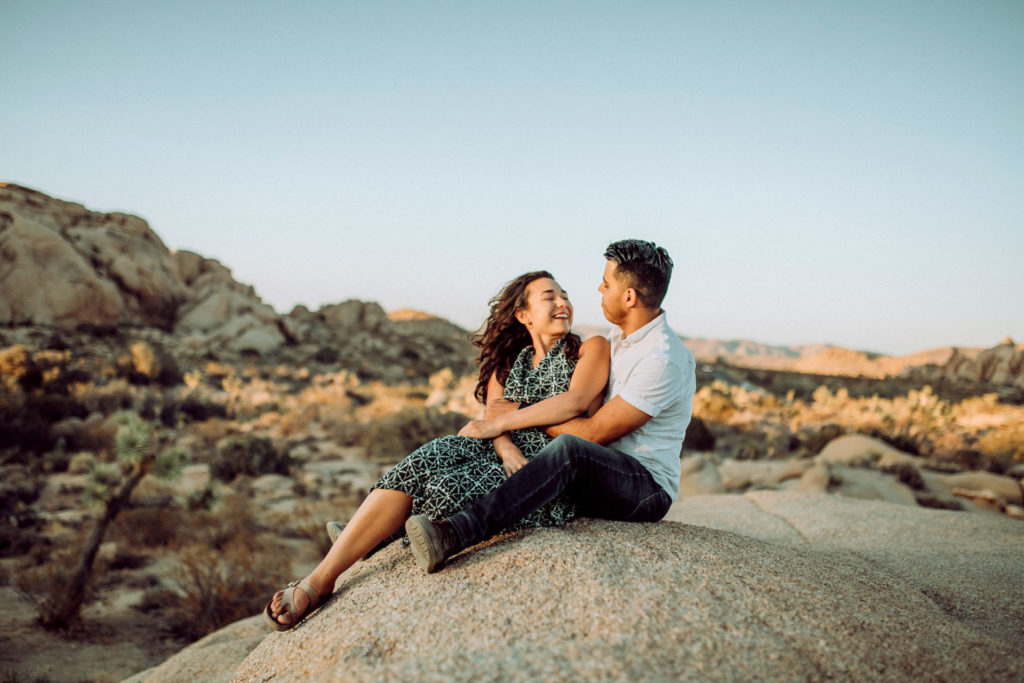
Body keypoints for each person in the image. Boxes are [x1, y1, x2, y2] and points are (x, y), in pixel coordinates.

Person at [264, 271, 610, 630]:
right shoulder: (510, 365)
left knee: (443, 490)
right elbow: (493, 418)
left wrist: (506, 420)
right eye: (549, 297)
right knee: (430, 455)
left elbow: (575, 402)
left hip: (549, 467)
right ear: (524, 315)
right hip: (506, 452)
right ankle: (321, 579)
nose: (562, 303)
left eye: (564, 295)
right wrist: (504, 446)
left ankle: (375, 533)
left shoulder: (588, 348)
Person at [406, 239, 696, 573]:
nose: (599, 288)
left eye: (607, 283)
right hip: (600, 473)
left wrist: (517, 416)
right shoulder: (618, 338)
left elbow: (593, 434)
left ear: (629, 297)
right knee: (466, 457)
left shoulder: (663, 359)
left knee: (571, 449)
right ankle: (381, 533)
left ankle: (455, 534)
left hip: (644, 487)